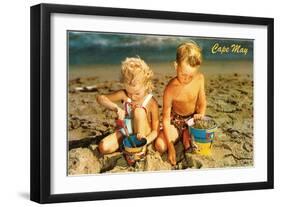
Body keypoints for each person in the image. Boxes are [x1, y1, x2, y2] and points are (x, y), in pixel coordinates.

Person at [155, 41, 207, 165]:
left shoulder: (199, 79)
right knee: (160, 146)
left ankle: (186, 134)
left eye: (191, 76)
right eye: (184, 74)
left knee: (191, 144)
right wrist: (171, 146)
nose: (186, 79)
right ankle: (181, 134)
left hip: (192, 119)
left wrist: (200, 114)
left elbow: (202, 102)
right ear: (175, 66)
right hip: (175, 120)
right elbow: (166, 119)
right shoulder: (170, 89)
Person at [97, 57, 159, 155]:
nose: (133, 97)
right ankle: (127, 144)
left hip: (143, 133)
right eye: (129, 93)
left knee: (138, 111)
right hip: (127, 130)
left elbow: (155, 131)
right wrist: (116, 108)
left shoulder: (151, 102)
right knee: (103, 147)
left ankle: (140, 147)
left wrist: (146, 140)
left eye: (137, 93)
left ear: (146, 85)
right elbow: (100, 98)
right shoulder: (124, 94)